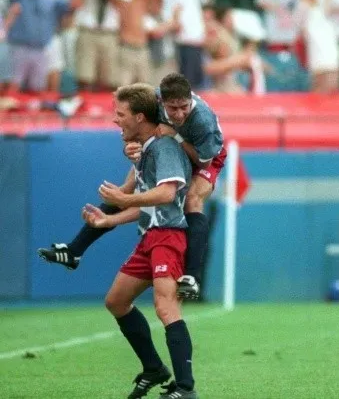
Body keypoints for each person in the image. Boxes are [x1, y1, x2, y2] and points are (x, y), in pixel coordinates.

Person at [38, 73, 225, 300]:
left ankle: (192, 276)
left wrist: (176, 136)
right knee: (123, 191)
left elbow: (203, 160)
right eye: (172, 109)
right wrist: (130, 146)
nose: (179, 114)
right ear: (161, 101)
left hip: (203, 155)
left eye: (184, 107)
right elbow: (133, 125)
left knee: (193, 198)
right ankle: (74, 250)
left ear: (190, 100)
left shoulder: (201, 119)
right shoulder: (153, 99)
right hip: (170, 147)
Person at [81, 83, 197, 398]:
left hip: (168, 237)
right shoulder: (145, 148)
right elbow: (149, 203)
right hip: (150, 237)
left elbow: (167, 194)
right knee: (116, 301)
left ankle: (186, 388)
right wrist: (110, 219)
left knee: (166, 306)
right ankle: (154, 368)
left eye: (120, 114)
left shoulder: (164, 148)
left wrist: (123, 197)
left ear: (140, 117)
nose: (115, 120)